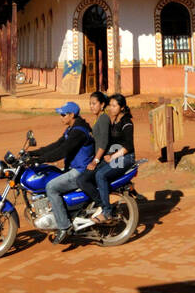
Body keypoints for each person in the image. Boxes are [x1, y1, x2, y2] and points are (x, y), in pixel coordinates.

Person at [24, 101, 94, 241]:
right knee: (50, 176)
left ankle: (64, 226)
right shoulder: (72, 129)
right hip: (73, 168)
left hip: (81, 170)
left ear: (72, 115)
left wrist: (39, 160)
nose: (61, 117)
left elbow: (62, 151)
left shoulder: (79, 132)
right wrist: (34, 154)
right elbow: (57, 145)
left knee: (51, 187)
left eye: (63, 114)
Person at [91, 95, 135, 221]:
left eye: (114, 106)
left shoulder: (127, 123)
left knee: (100, 175)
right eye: (110, 105)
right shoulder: (115, 121)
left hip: (125, 158)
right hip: (116, 157)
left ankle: (107, 212)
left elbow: (128, 146)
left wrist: (112, 156)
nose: (111, 108)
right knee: (93, 172)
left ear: (121, 108)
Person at [75, 91, 110, 220]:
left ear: (102, 104)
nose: (91, 106)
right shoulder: (98, 119)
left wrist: (95, 161)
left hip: (102, 159)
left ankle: (102, 205)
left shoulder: (104, 118)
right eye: (90, 104)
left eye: (94, 104)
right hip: (97, 158)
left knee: (81, 180)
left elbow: (104, 143)